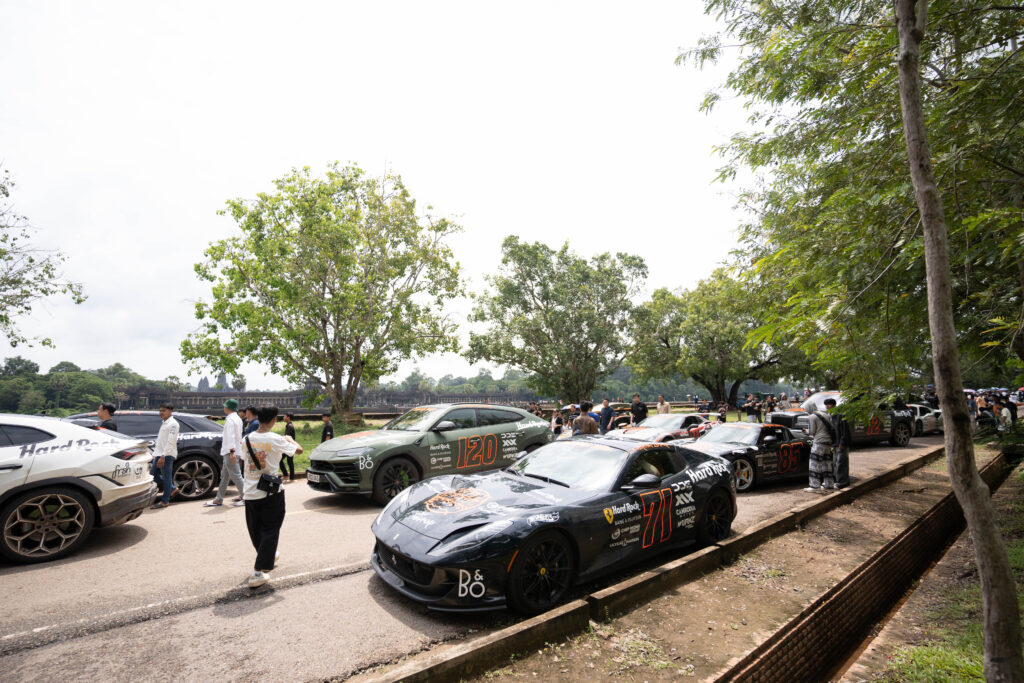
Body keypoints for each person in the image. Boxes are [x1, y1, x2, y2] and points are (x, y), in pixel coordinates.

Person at [241, 405, 302, 588]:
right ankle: (257, 572)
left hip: (250, 492)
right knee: (270, 529)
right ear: (274, 420)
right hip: (271, 492)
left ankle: (268, 554)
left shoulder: (247, 439)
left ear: (258, 418)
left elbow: (245, 459)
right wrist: (290, 439)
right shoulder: (276, 439)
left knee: (256, 529)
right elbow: (298, 451)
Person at [205, 399, 246, 507]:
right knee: (225, 476)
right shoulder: (237, 419)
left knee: (236, 475)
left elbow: (231, 436)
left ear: (228, 408)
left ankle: (246, 498)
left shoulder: (231, 420)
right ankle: (218, 499)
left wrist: (232, 451)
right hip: (233, 450)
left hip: (230, 451)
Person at [151, 403, 180, 508]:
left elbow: (171, 441)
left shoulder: (173, 424)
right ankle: (172, 488)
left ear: (170, 411)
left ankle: (165, 501)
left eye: (164, 411)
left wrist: (163, 456)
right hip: (159, 454)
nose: (161, 413)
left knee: (167, 478)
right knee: (152, 475)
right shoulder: (164, 422)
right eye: (160, 411)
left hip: (166, 455)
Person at [805, 402, 835, 492]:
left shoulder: (812, 416)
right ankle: (829, 485)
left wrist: (806, 431)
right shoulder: (825, 414)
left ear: (809, 408)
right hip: (828, 442)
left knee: (815, 464)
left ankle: (815, 486)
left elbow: (812, 432)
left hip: (819, 442)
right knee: (827, 464)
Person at [827, 398, 851, 489]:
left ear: (834, 405)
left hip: (841, 443)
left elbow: (844, 431)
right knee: (835, 463)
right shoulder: (830, 416)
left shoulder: (840, 416)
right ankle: (838, 481)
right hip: (834, 443)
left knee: (841, 463)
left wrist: (842, 442)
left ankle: (843, 482)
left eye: (829, 404)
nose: (827, 406)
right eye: (826, 405)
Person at [280, 413, 297, 482]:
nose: (283, 417)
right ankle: (287, 476)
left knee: (288, 462)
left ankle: (289, 477)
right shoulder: (288, 425)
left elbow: (287, 437)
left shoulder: (290, 426)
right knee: (288, 461)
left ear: (288, 417)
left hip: (289, 447)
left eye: (284, 416)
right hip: (288, 446)